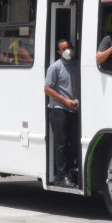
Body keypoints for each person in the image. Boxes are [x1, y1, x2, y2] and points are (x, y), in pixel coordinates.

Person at [44, 39, 80, 187]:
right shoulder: (55, 67)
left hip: (74, 109)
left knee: (74, 142)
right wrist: (65, 101)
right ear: (59, 52)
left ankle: (72, 172)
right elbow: (47, 89)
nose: (68, 51)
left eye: (69, 47)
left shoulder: (78, 65)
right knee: (61, 143)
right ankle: (61, 175)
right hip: (59, 109)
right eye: (64, 49)